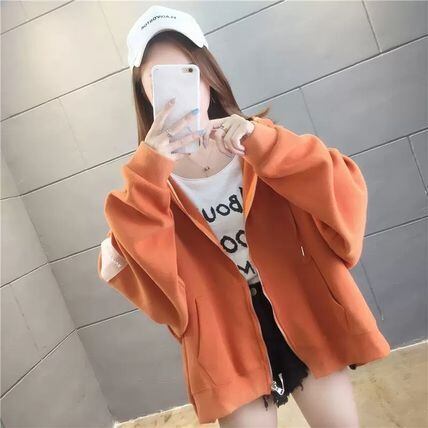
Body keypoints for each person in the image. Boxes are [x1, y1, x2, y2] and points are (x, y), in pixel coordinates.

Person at [98, 5, 390, 427]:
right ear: (145, 93)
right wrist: (150, 172)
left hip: (303, 308)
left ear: (207, 75)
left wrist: (264, 144)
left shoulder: (255, 142)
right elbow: (146, 277)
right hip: (224, 336)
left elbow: (343, 194)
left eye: (186, 73)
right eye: (157, 81)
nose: (177, 92)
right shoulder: (148, 184)